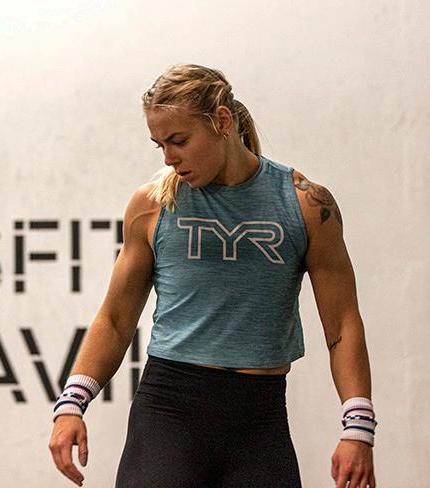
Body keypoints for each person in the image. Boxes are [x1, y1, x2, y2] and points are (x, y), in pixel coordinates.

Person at [49, 64, 377, 488]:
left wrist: (358, 426)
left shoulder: (307, 205)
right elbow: (115, 319)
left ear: (222, 121)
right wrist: (72, 403)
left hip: (259, 422)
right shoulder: (153, 205)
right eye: (160, 145)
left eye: (179, 141)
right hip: (167, 415)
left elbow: (343, 324)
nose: (169, 158)